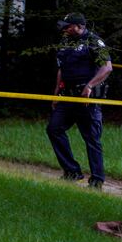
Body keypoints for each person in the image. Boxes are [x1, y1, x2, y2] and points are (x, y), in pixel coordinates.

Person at [46, 12, 113, 189]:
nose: (65, 29)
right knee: (54, 129)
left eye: (68, 26)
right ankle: (72, 171)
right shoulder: (65, 42)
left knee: (91, 138)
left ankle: (97, 180)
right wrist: (55, 93)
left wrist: (90, 85)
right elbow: (61, 70)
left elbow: (107, 68)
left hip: (87, 99)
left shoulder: (94, 41)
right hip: (67, 97)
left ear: (79, 26)